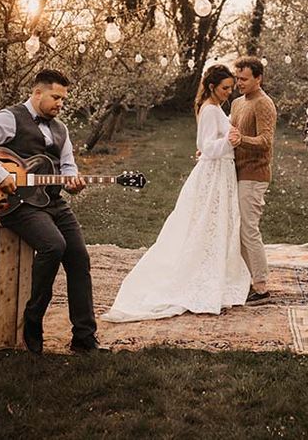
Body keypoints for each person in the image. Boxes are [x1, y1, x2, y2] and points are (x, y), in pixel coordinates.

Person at [0, 69, 102, 354]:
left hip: (53, 201)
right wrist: (0, 174)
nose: (60, 104)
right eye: (55, 97)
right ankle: (33, 321)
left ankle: (84, 339)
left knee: (78, 257)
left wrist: (73, 182)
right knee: (53, 246)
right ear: (37, 92)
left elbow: (68, 166)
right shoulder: (10, 118)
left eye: (63, 99)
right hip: (16, 203)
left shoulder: (61, 129)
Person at [102, 64, 250, 321]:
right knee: (207, 225)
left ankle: (217, 273)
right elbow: (205, 147)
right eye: (225, 88)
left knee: (218, 224)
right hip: (214, 174)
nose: (229, 92)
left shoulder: (215, 109)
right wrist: (229, 140)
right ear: (212, 87)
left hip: (221, 172)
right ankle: (200, 277)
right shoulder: (210, 110)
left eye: (231, 88)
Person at [230, 56, 277, 303]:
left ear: (258, 78)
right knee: (238, 229)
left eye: (244, 79)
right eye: (237, 78)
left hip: (255, 174)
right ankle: (245, 279)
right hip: (236, 172)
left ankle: (261, 286)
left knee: (249, 229)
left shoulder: (263, 104)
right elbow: (230, 134)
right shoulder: (237, 103)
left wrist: (242, 141)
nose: (239, 83)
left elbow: (266, 141)